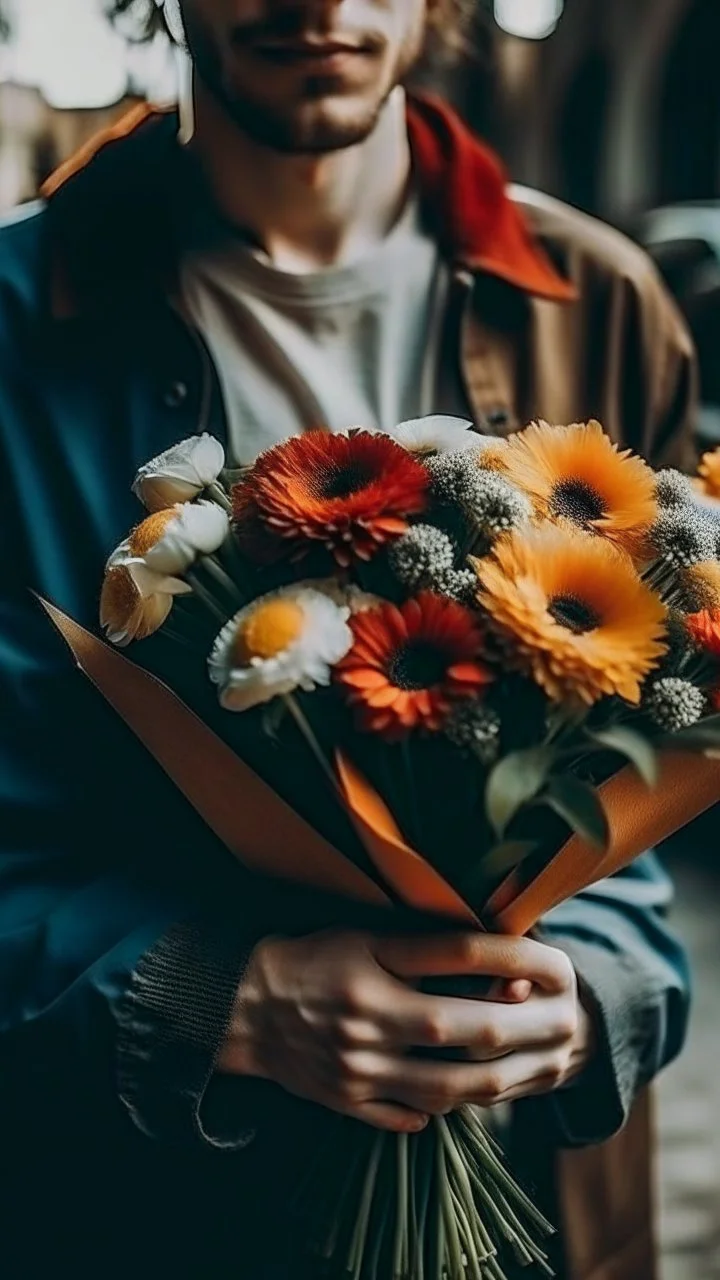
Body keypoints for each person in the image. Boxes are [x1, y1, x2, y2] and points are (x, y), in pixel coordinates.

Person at [0, 2, 692, 1277]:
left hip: (541, 1208)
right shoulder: (15, 322)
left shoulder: (596, 301)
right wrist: (212, 999)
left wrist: (598, 986)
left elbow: (642, 763)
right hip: (132, 1210)